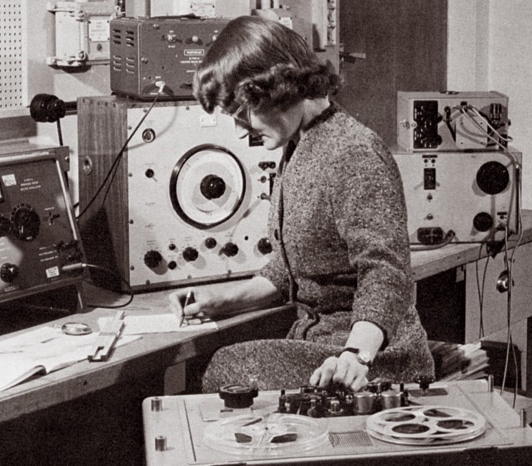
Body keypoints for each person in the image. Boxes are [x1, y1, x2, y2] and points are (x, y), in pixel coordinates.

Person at [167, 16, 435, 393]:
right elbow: (294, 263)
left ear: (280, 88)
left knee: (227, 370)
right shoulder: (301, 144)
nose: (240, 128)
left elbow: (386, 274)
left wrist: (357, 355)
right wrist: (220, 300)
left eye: (243, 112)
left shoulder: (353, 152)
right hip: (323, 345)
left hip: (369, 358)